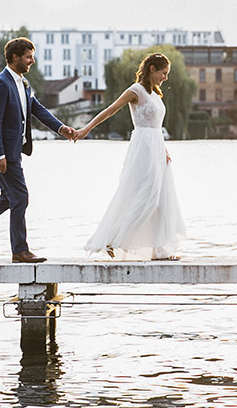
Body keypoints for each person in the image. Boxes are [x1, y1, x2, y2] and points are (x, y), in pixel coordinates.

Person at [0, 38, 77, 263]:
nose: (32, 60)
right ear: (14, 57)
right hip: (4, 154)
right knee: (20, 197)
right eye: (28, 56)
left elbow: (38, 110)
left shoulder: (24, 83)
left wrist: (61, 128)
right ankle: (19, 251)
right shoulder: (0, 83)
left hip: (13, 151)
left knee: (9, 198)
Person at [75, 52, 185, 260]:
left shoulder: (155, 94)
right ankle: (113, 238)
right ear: (152, 69)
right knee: (147, 195)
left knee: (161, 196)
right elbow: (110, 110)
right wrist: (85, 129)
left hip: (157, 147)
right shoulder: (136, 91)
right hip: (143, 147)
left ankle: (158, 249)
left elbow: (157, 126)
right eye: (164, 73)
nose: (166, 78)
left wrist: (164, 149)